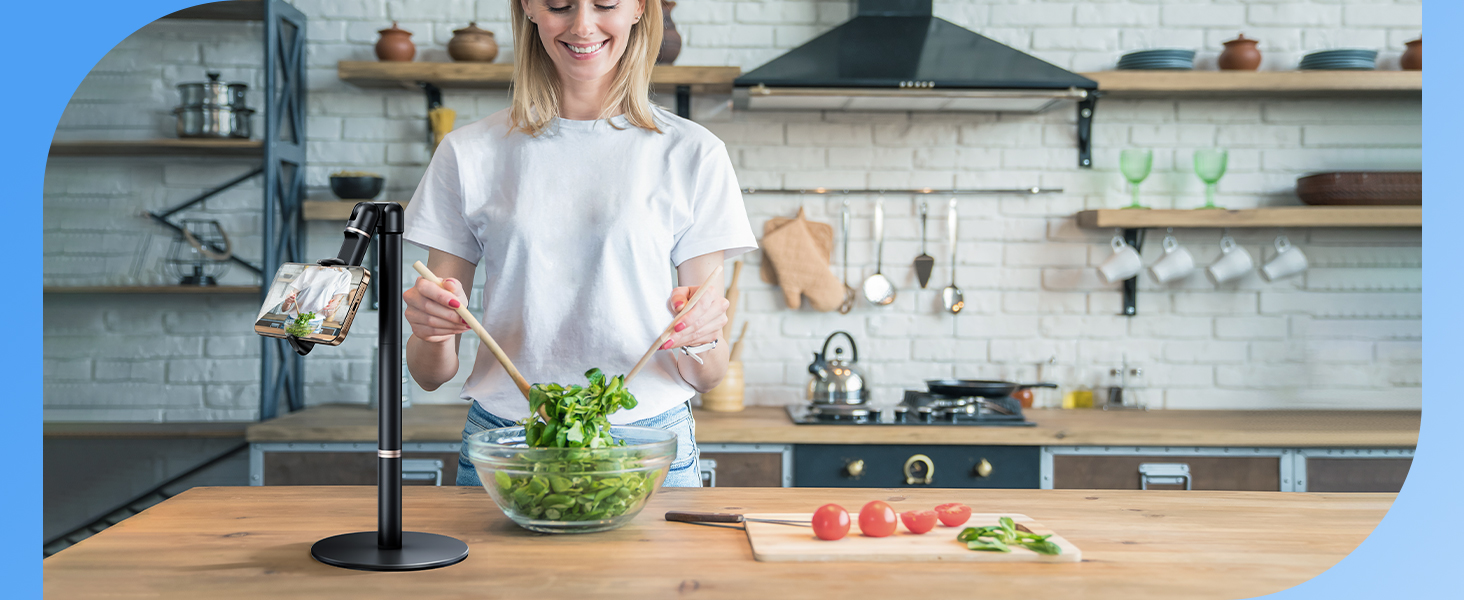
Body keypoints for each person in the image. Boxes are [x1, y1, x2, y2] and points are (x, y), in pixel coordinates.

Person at [402, 0, 756, 488]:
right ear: (529, 8)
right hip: (510, 443)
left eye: (606, 3)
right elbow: (429, 374)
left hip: (647, 444)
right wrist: (432, 332)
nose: (582, 25)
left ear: (639, 9)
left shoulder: (695, 153)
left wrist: (704, 335)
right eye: (560, 5)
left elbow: (708, 375)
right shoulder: (468, 152)